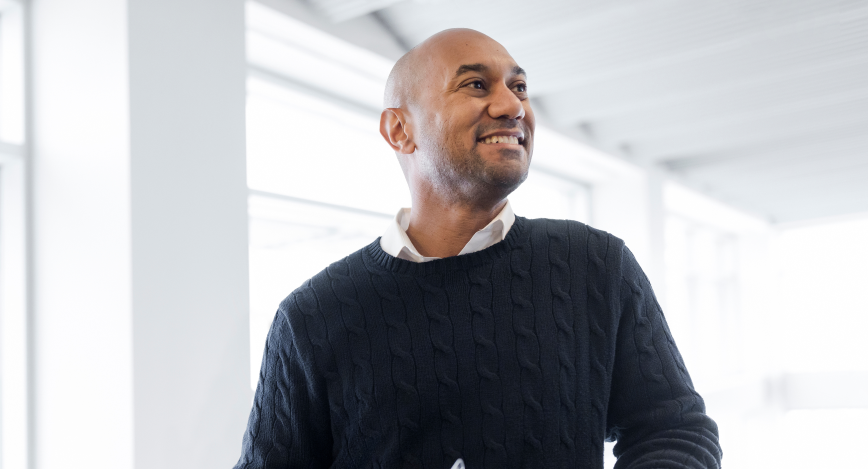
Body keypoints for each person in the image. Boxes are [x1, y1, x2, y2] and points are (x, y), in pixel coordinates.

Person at [235, 28, 721, 468]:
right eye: (475, 85)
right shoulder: (311, 318)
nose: (513, 106)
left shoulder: (596, 265)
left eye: (520, 87)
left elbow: (673, 430)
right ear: (399, 130)